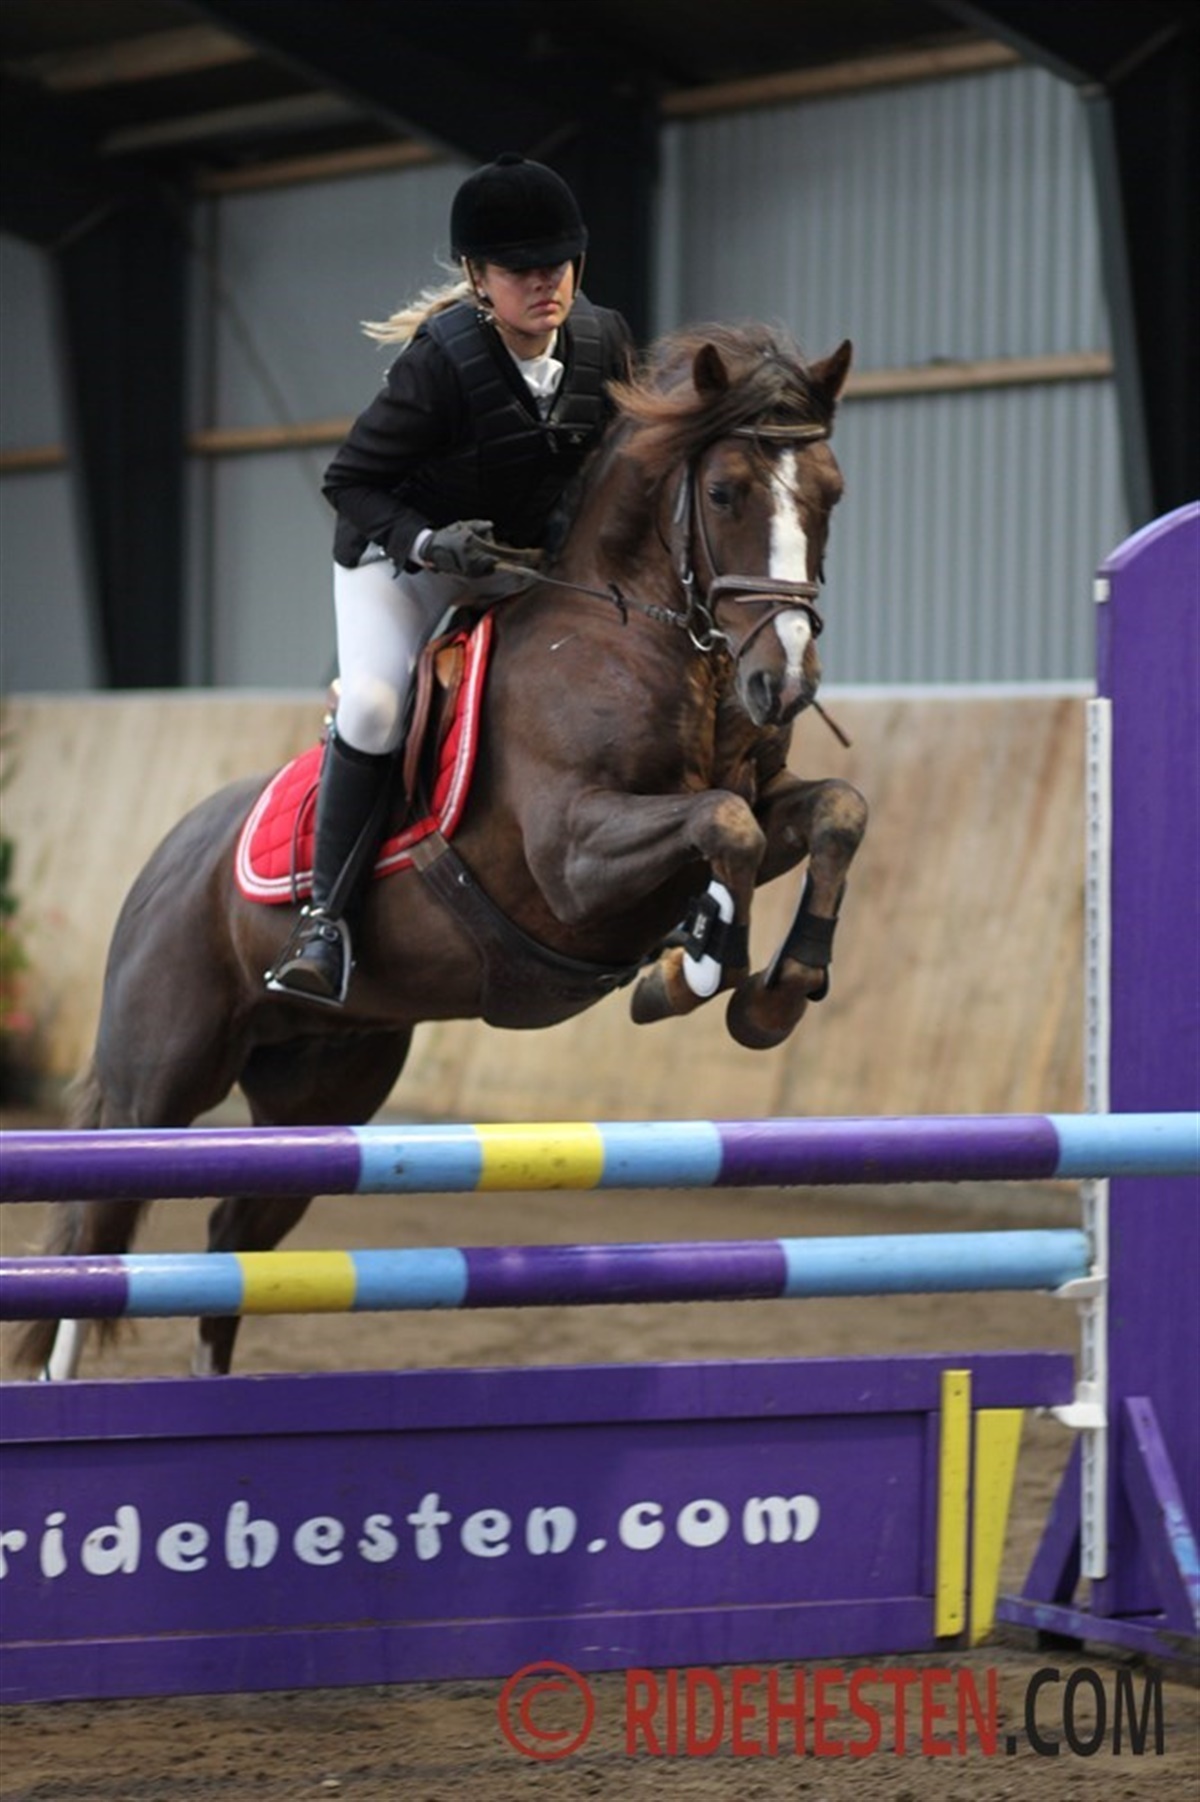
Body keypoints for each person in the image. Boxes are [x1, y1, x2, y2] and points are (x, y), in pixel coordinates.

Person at [266, 153, 635, 1005]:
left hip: (519, 567)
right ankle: (325, 921)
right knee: (373, 706)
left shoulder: (606, 341)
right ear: (477, 277)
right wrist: (430, 544)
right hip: (402, 565)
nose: (545, 283)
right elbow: (349, 484)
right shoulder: (440, 362)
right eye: (520, 270)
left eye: (558, 264)